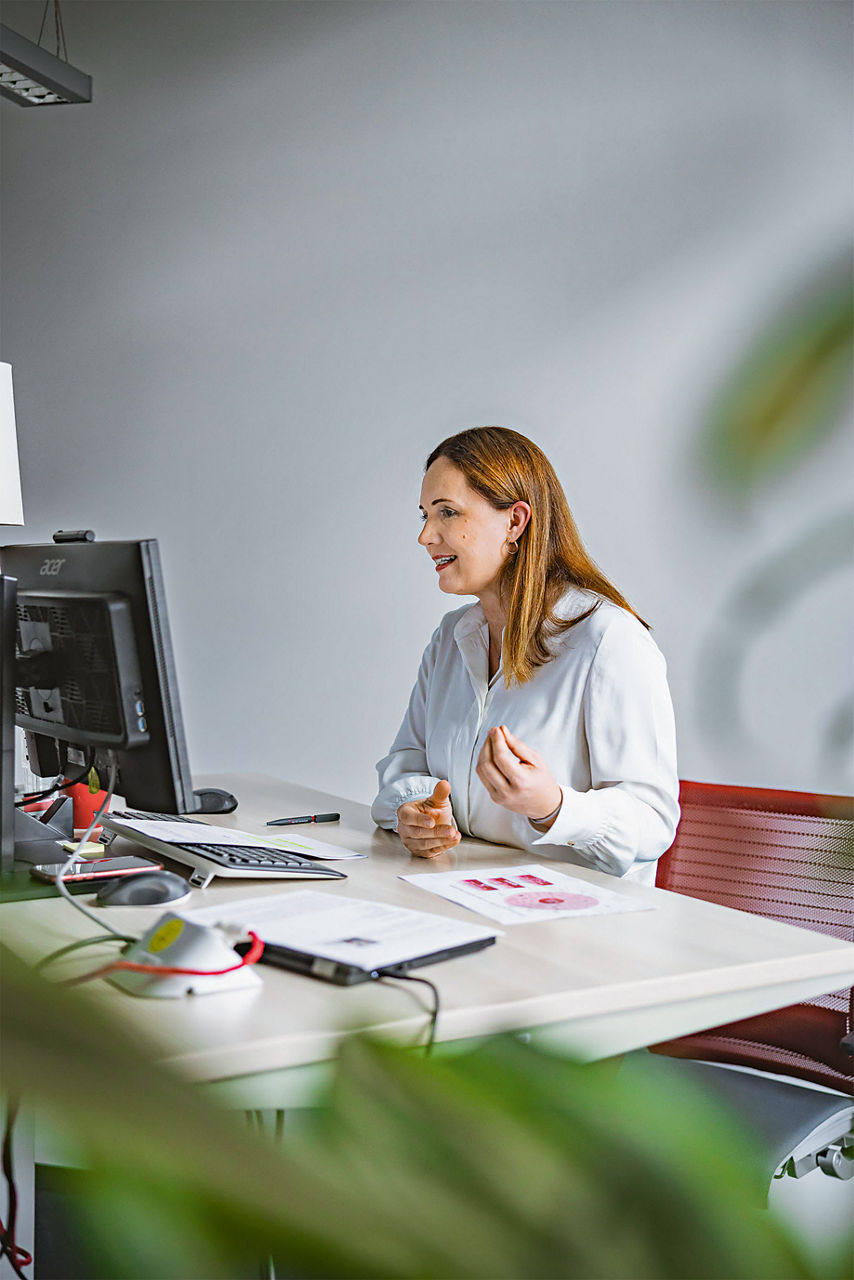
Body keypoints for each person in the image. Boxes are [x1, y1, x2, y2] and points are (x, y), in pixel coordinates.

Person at [371, 426, 679, 883]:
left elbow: (652, 821)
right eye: (424, 516)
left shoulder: (609, 641)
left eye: (447, 513)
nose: (425, 536)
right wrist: (414, 812)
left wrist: (552, 805)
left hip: (579, 925)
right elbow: (406, 763)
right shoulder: (451, 638)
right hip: (464, 896)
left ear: (515, 522)